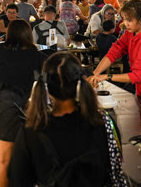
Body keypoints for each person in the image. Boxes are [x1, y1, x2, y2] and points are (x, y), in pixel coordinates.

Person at [9, 52, 130, 187]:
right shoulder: (104, 125)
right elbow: (114, 168)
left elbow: (18, 179)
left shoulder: (31, 131)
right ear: (79, 85)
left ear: (46, 89)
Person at [0, 19, 43, 187]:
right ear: (28, 34)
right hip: (11, 101)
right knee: (4, 160)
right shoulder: (34, 53)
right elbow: (42, 79)